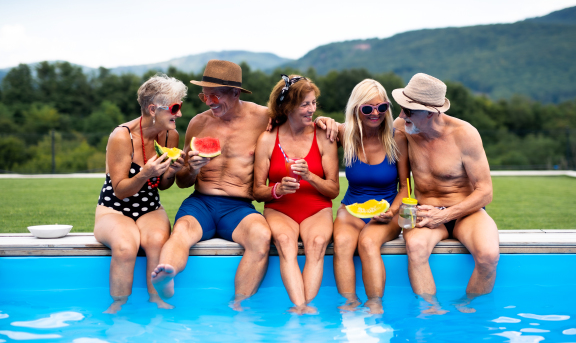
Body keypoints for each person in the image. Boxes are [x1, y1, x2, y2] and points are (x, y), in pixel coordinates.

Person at [150, 61, 338, 309]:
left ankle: (238, 303)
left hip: (239, 206)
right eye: (205, 95)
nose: (209, 101)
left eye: (215, 95)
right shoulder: (198, 123)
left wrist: (326, 120)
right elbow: (183, 181)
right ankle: (167, 273)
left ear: (235, 93)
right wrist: (192, 169)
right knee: (182, 230)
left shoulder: (264, 118)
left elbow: (298, 115)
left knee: (261, 236)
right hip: (201, 201)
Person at [392, 73, 499, 314]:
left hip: (465, 211)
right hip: (424, 211)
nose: (400, 115)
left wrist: (445, 215)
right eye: (401, 108)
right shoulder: (405, 127)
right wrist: (331, 124)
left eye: (407, 110)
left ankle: (468, 310)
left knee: (489, 256)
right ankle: (431, 312)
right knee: (416, 247)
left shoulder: (465, 134)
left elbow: (485, 192)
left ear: (430, 112)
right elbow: (363, 130)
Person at [94, 74, 187, 313]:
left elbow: (163, 186)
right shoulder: (122, 136)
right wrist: (145, 173)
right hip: (114, 208)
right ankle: (118, 305)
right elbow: (120, 190)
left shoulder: (170, 135)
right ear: (153, 109)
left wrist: (171, 172)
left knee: (156, 242)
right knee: (125, 246)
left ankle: (156, 301)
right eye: (175, 108)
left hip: (149, 207)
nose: (179, 114)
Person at [253, 74, 339, 314]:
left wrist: (310, 176)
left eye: (313, 103)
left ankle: (304, 307)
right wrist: (277, 189)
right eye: (305, 104)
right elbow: (257, 191)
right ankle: (301, 307)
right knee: (284, 242)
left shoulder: (324, 137)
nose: (311, 109)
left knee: (318, 243)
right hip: (280, 209)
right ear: (287, 106)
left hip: (316, 207)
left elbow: (333, 189)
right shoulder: (268, 138)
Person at [332, 79, 409, 314]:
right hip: (351, 209)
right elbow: (307, 126)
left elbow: (405, 187)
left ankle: (375, 305)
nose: (375, 114)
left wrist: (392, 212)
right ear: (356, 109)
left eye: (381, 107)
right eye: (367, 108)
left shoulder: (397, 139)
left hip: (388, 211)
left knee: (368, 242)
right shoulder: (345, 134)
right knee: (342, 244)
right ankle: (350, 304)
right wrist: (322, 120)